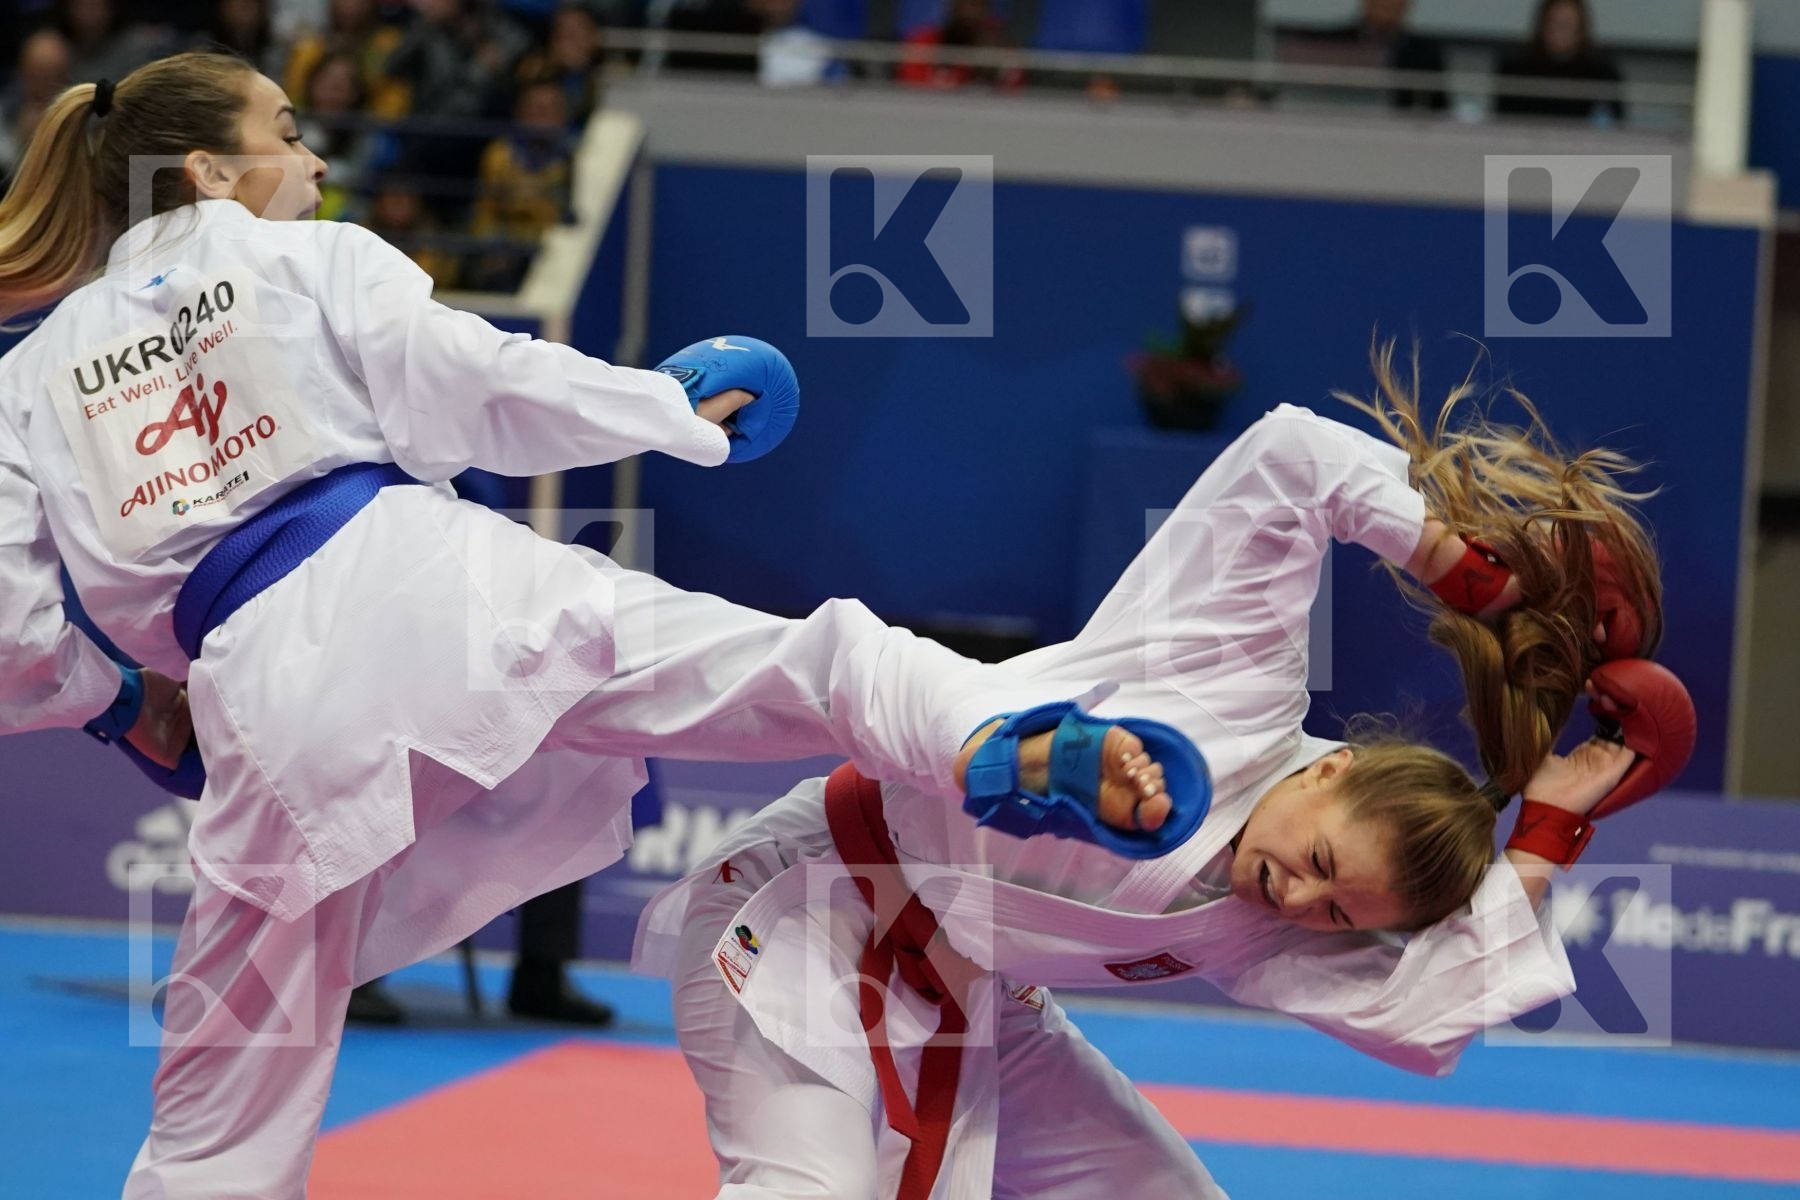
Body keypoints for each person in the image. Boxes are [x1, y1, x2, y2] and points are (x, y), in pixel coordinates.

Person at [0, 52, 1193, 1197]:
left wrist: (117, 707)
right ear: (209, 172)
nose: (314, 165)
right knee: (809, 661)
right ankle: (1004, 744)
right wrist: (667, 407)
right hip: (453, 601)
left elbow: (11, 626)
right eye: (289, 134)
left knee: (218, 1119)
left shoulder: (29, 375)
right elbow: (483, 382)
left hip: (265, 703)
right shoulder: (308, 260)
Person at [636, 358, 1678, 1199]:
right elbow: (1294, 458)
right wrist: (1472, 575)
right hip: (808, 900)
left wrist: (1548, 829)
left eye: (1335, 909)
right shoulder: (1227, 676)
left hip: (971, 995)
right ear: (1333, 770)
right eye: (1319, 861)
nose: (1299, 898)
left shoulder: (1276, 935)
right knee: (805, 1184)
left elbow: (1419, 1012)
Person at [1496, 0, 1624, 124]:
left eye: (1567, 25)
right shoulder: (1516, 69)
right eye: (1554, 23)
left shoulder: (1602, 73)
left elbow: (1617, 127)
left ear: (1581, 29)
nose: (1560, 31)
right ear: (1542, 25)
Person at [1317, 0, 1446, 111]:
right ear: (1367, 2)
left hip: (1401, 131)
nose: (1387, 6)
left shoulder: (1426, 51)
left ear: (1406, 5)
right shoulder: (1334, 43)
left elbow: (1439, 108)